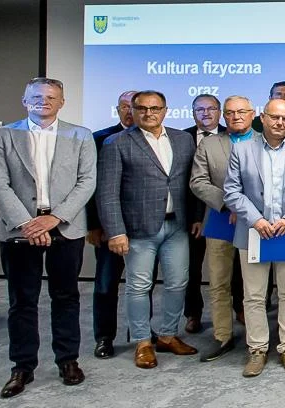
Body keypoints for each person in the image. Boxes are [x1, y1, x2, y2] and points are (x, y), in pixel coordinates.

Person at [0, 77, 94, 398]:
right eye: (37, 96)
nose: (43, 101)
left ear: (62, 102)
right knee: (22, 301)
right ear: (24, 99)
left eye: (51, 97)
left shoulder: (81, 136)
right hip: (19, 232)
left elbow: (86, 182)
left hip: (65, 226)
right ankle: (22, 366)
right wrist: (26, 223)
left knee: (66, 296)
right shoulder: (4, 135)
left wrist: (52, 219)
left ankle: (68, 360)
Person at [97, 90, 199, 368]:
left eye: (155, 108)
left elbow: (191, 183)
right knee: (139, 286)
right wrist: (116, 231)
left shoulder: (182, 139)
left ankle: (167, 335)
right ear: (132, 110)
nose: (149, 113)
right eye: (142, 108)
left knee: (178, 283)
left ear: (165, 110)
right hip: (139, 229)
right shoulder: (116, 143)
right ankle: (142, 341)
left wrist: (196, 217)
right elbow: (107, 193)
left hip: (176, 225)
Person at [223, 99, 285, 377]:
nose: (280, 123)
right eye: (275, 118)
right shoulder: (241, 150)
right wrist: (257, 220)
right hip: (255, 232)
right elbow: (232, 191)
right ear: (262, 118)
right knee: (254, 295)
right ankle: (257, 349)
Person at [189, 95, 257, 362]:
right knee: (219, 282)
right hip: (219, 219)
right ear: (223, 116)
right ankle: (222, 336)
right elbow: (198, 182)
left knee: (254, 285)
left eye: (242, 111)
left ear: (253, 114)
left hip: (255, 221)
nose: (236, 116)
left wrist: (245, 209)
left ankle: (256, 338)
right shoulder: (209, 144)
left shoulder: (264, 141)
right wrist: (230, 204)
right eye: (230, 112)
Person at [89, 89, 136, 359]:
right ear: (117, 110)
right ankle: (104, 337)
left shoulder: (157, 139)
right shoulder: (100, 139)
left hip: (143, 227)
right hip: (108, 227)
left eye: (135, 106)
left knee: (141, 284)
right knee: (106, 284)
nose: (130, 111)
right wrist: (93, 225)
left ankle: (140, 332)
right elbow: (92, 187)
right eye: (125, 107)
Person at [181, 94, 225, 334]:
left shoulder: (231, 136)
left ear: (219, 112)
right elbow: (189, 181)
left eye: (211, 109)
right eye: (200, 110)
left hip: (224, 213)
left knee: (232, 268)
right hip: (190, 215)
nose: (206, 114)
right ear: (193, 113)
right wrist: (197, 217)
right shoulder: (180, 138)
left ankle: (237, 309)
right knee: (192, 267)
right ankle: (193, 313)